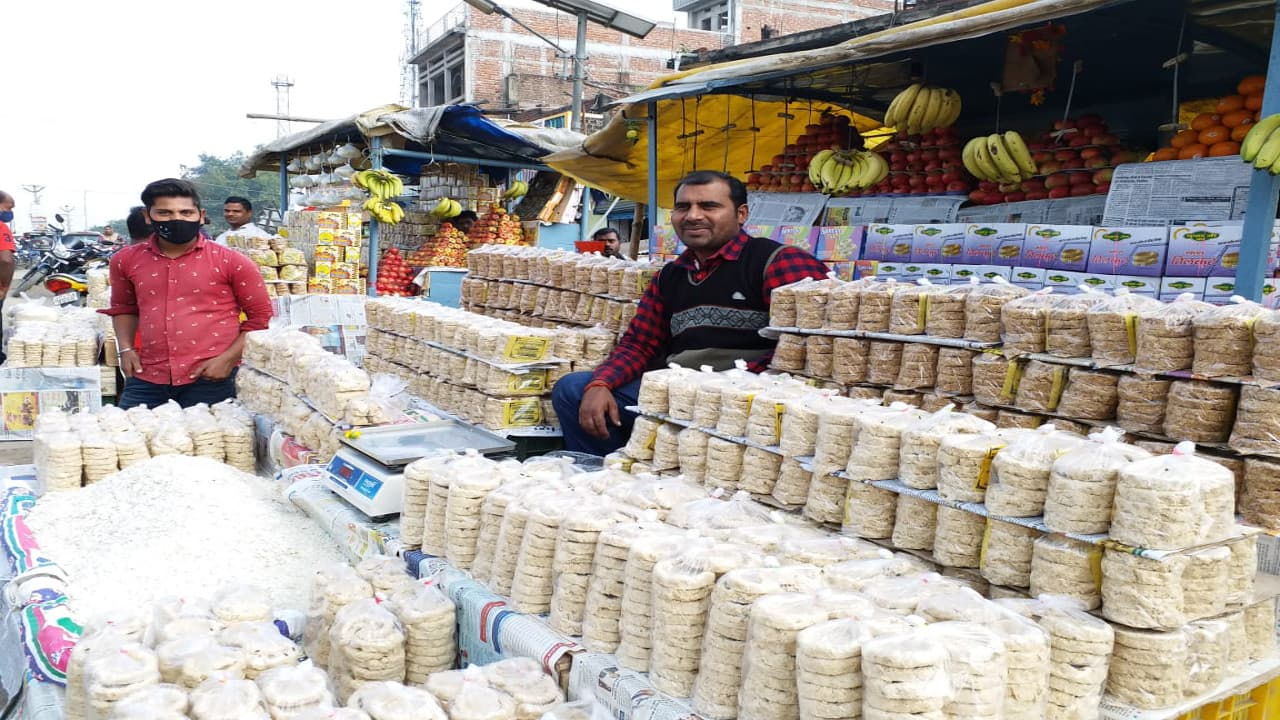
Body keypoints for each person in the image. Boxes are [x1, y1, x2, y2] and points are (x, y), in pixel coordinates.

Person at [551, 171, 829, 455]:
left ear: (741, 214)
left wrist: (726, 386)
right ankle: (607, 473)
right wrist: (601, 382)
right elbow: (639, 344)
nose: (693, 216)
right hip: (680, 389)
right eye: (683, 207)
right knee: (574, 389)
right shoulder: (670, 276)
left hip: (752, 394)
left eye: (709, 206)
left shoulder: (778, 261)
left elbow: (809, 346)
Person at [100, 179, 273, 409]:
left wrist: (228, 359)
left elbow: (261, 318)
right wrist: (126, 349)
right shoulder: (125, 260)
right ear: (148, 216)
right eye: (164, 213)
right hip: (147, 374)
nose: (176, 219)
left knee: (211, 434)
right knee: (127, 430)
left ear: (201, 216)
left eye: (186, 212)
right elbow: (124, 308)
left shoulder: (233, 262)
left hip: (212, 377)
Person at [409, 211, 479, 293]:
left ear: (475, 223)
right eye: (461, 224)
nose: (465, 226)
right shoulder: (453, 239)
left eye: (468, 223)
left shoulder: (479, 239)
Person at [0, 192, 16, 364]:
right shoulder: (1, 227)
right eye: (8, 208)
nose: (10, 213)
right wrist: (4, 287)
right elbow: (6, 259)